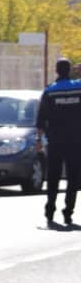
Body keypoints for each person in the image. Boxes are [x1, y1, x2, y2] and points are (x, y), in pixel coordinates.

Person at [37, 57, 81, 226]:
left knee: (53, 176)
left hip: (55, 141)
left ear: (56, 71)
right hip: (76, 141)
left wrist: (38, 140)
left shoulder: (50, 91)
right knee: (73, 178)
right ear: (69, 70)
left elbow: (41, 119)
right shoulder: (78, 88)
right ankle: (68, 212)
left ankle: (50, 211)